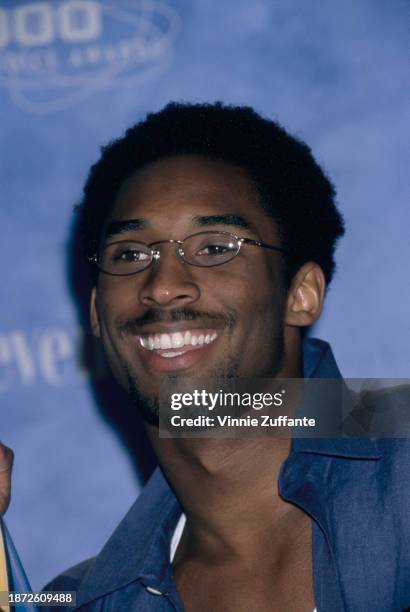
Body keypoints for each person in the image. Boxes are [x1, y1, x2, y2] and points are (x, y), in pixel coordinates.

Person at [3, 102, 410, 611]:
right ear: (95, 313)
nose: (163, 287)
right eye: (129, 254)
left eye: (215, 247)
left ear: (300, 293)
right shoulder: (80, 602)